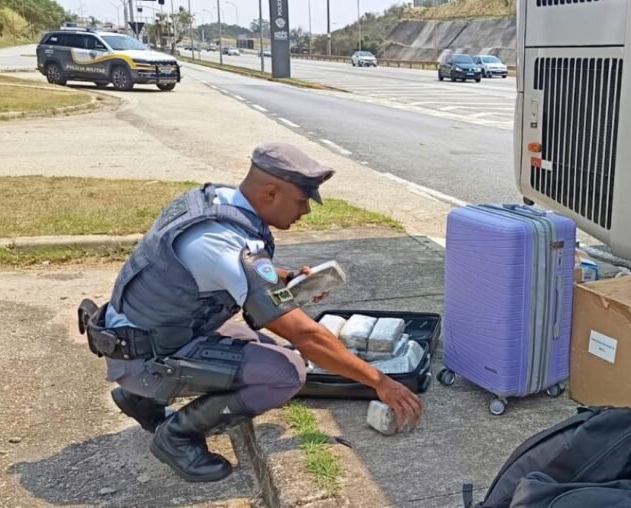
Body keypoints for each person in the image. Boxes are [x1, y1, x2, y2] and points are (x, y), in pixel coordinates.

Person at [82, 142, 423, 483]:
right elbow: (305, 335)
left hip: (145, 333)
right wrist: (380, 382)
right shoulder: (226, 246)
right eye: (302, 201)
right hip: (144, 353)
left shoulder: (215, 202)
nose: (305, 211)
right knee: (286, 372)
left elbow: (218, 275)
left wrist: (285, 278)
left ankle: (141, 398)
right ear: (271, 193)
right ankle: (176, 436)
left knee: (266, 348)